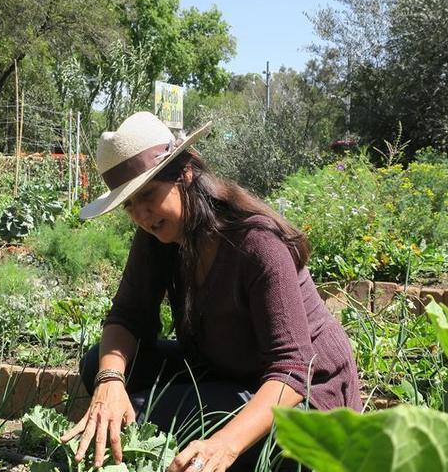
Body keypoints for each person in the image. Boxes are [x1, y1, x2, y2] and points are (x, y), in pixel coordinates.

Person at [61, 112, 361, 472]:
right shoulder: (158, 236)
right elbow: (128, 315)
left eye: (148, 194)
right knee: (100, 364)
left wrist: (224, 445)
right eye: (129, 204)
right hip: (228, 371)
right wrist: (110, 382)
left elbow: (293, 369)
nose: (141, 213)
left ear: (185, 174)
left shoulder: (256, 244)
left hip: (306, 400)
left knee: (138, 416)